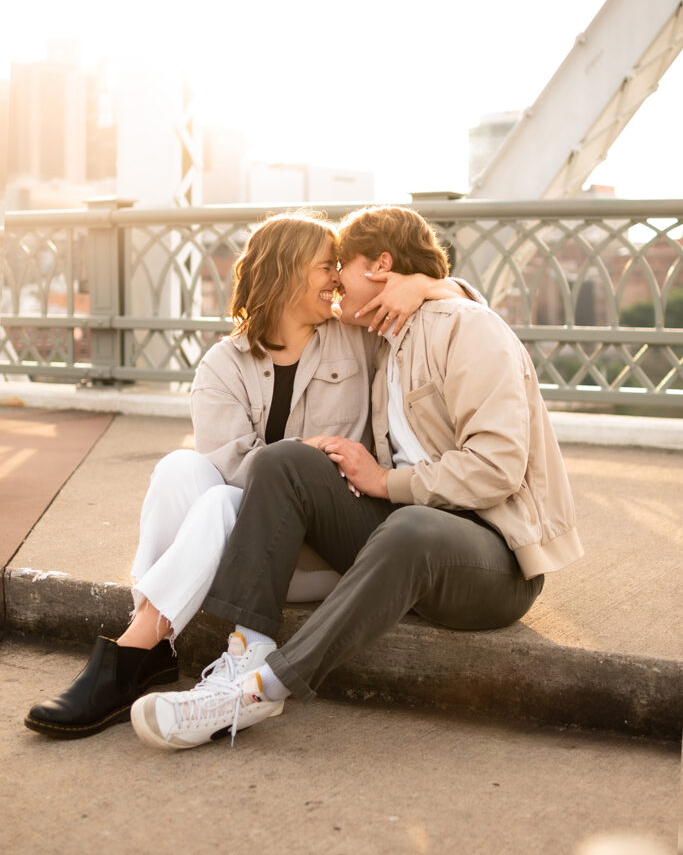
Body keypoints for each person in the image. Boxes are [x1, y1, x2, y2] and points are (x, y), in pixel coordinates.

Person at [130, 205, 584, 751]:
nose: (336, 279)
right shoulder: (381, 336)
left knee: (411, 526)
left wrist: (385, 482)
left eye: (341, 264)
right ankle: (244, 652)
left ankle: (257, 692)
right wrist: (422, 285)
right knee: (282, 461)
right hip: (404, 533)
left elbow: (496, 468)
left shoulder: (467, 328)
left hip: (492, 560)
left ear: (381, 266)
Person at [25, 210, 468, 739]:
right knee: (179, 467)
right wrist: (299, 452)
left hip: (323, 550)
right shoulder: (223, 364)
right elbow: (232, 469)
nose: (337, 278)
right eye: (326, 266)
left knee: (220, 503)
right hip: (252, 553)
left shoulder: (356, 338)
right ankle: (150, 644)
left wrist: (423, 284)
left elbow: (457, 309)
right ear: (286, 271)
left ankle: (130, 655)